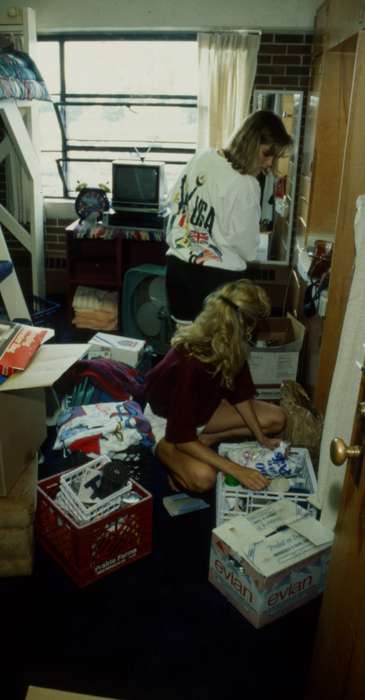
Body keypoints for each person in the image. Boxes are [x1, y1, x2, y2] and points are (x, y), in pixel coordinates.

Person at [143, 279, 286, 493]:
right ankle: (172, 463)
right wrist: (238, 470)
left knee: (277, 418)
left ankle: (206, 440)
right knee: (204, 478)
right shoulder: (189, 363)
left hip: (201, 412)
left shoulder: (229, 343)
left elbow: (240, 396)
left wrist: (261, 438)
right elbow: (181, 438)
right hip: (165, 424)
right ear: (243, 328)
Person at [165, 110, 293, 324]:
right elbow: (247, 248)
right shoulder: (246, 184)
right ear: (251, 143)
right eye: (266, 154)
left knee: (184, 348)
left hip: (177, 272)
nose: (269, 163)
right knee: (219, 353)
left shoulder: (202, 156)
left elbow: (174, 201)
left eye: (274, 157)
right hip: (216, 284)